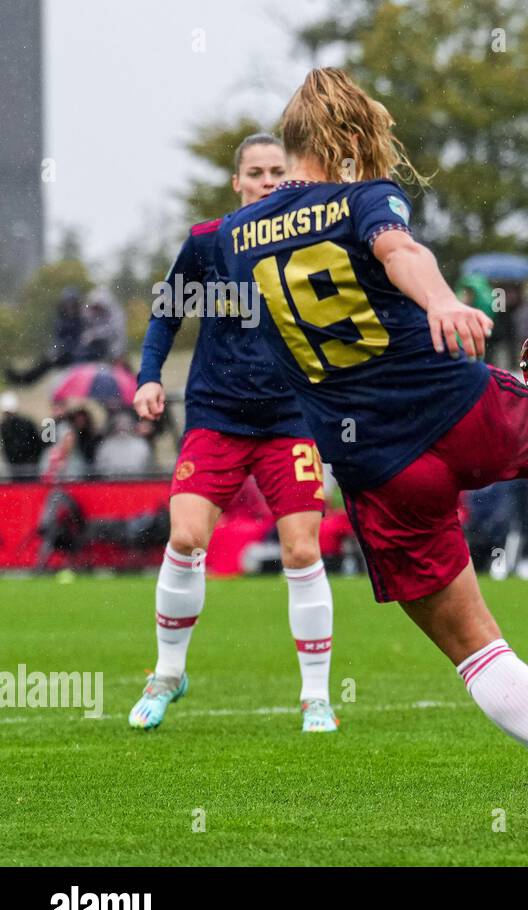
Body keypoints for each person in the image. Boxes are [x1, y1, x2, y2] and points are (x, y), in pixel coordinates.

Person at [217, 68, 528, 843]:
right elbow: (399, 250)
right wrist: (444, 300)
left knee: (476, 650)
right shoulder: (365, 197)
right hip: (451, 405)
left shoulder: (232, 235)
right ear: (352, 140)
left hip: (377, 468)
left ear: (285, 150)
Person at [128, 133, 342, 734]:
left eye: (279, 171)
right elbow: (167, 313)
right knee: (187, 537)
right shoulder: (206, 242)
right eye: (256, 172)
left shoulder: (315, 241)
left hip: (290, 420)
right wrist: (148, 378)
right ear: (237, 182)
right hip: (217, 417)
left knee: (302, 548)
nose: (268, 180)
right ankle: (168, 675)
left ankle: (316, 698)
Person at [0, 392, 43, 477]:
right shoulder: (27, 422)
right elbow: (38, 443)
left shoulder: (5, 426)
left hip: (22, 466)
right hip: (28, 466)